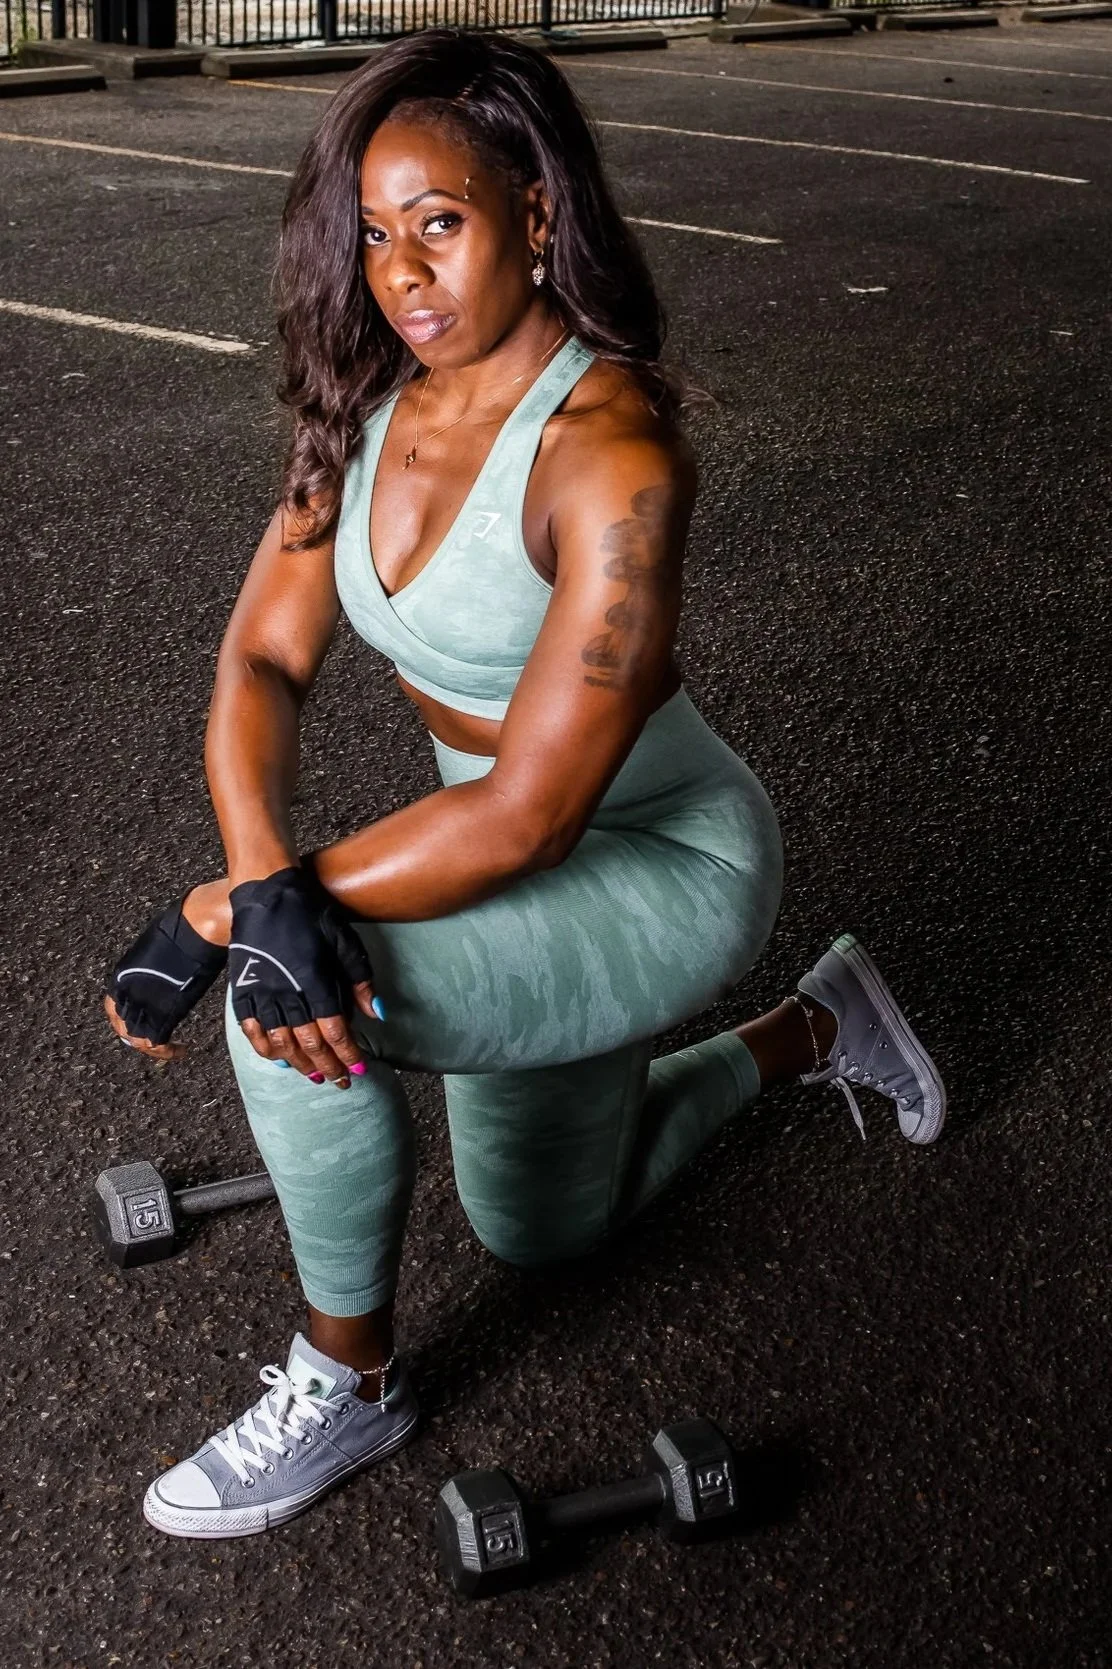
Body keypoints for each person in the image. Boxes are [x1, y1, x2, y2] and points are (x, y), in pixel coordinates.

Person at [102, 27, 945, 1541]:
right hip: (490, 855)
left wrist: (234, 913)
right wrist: (254, 873)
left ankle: (348, 1382)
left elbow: (531, 813)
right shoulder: (362, 402)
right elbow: (261, 667)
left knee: (296, 990)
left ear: (538, 218)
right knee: (544, 1227)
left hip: (653, 858)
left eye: (443, 222)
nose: (403, 273)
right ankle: (820, 1021)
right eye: (375, 233)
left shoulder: (611, 453)